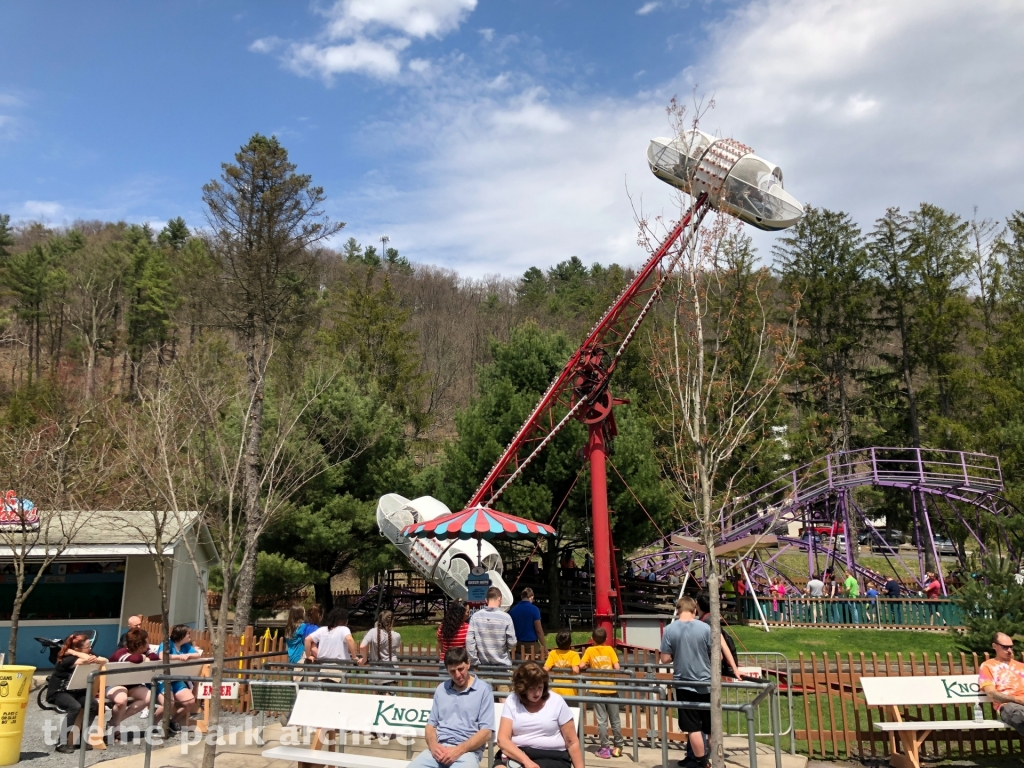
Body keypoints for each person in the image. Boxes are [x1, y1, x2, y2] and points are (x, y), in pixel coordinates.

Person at [661, 596, 742, 768]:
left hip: (683, 683)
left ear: (677, 610)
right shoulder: (706, 628)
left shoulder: (669, 629)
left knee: (693, 728)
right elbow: (719, 654)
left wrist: (678, 653)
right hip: (707, 683)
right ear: (694, 610)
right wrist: (734, 669)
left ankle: (702, 762)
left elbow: (665, 659)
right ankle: (719, 762)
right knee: (712, 728)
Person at [407, 647, 495, 768]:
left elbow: (486, 732)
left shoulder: (483, 690)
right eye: (452, 671)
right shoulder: (441, 689)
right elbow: (430, 726)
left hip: (467, 753)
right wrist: (433, 746)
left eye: (461, 669)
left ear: (468, 664)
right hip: (439, 751)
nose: (458, 675)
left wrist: (458, 750)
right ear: (447, 671)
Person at [497, 662, 584, 768]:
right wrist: (526, 761)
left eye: (540, 687)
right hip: (517, 753)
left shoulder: (556, 701)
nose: (537, 693)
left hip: (551, 756)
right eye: (532, 688)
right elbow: (503, 739)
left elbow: (572, 742)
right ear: (522, 688)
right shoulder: (512, 700)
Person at [46, 633, 105, 753]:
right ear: (77, 649)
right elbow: (85, 660)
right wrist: (74, 653)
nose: (90, 649)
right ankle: (61, 743)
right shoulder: (67, 659)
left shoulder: (87, 654)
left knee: (93, 704)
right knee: (75, 707)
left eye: (90, 646)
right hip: (59, 692)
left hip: (75, 691)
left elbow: (105, 660)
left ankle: (82, 738)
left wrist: (82, 654)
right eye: (87, 647)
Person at [579, 627, 624, 759]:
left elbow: (581, 665)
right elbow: (617, 667)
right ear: (605, 639)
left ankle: (605, 747)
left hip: (597, 689)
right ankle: (618, 746)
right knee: (615, 719)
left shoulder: (590, 650)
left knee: (601, 720)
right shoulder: (609, 649)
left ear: (592, 639)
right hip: (611, 688)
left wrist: (589, 666)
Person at [109, 627, 160, 739]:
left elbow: (155, 658)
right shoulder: (120, 653)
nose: (148, 645)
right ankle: (116, 728)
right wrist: (143, 657)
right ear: (139, 644)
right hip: (114, 684)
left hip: (132, 684)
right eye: (146, 642)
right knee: (121, 701)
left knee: (149, 697)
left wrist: (146, 653)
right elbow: (135, 659)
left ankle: (115, 721)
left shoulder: (146, 650)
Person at [154, 624, 203, 732]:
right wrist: (179, 657)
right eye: (188, 634)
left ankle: (172, 721)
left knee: (190, 701)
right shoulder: (167, 643)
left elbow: (197, 655)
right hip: (164, 678)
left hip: (176, 679)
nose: (190, 636)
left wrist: (188, 655)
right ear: (181, 635)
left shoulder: (186, 646)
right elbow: (162, 656)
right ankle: (153, 724)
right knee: (168, 703)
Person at [979, 632, 1024, 735]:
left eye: (1011, 647)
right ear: (994, 646)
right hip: (1008, 705)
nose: (1009, 650)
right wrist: (1017, 699)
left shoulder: (1021, 666)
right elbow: (992, 694)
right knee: (1019, 714)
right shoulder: (988, 666)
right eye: (1005, 647)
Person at [467, 587, 517, 668]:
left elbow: (469, 641)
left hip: (482, 665)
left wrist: (474, 661)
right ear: (500, 599)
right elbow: (512, 643)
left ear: (486, 600)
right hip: (503, 665)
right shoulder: (506, 617)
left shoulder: (475, 617)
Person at [544, 629, 581, 697]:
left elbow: (546, 669)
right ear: (570, 642)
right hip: (570, 690)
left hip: (556, 690)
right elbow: (576, 670)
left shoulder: (553, 653)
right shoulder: (574, 654)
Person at [509, 588, 545, 658]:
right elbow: (539, 630)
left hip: (517, 645)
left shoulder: (513, 610)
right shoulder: (534, 609)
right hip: (531, 645)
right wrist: (544, 646)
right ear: (532, 597)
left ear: (521, 597)